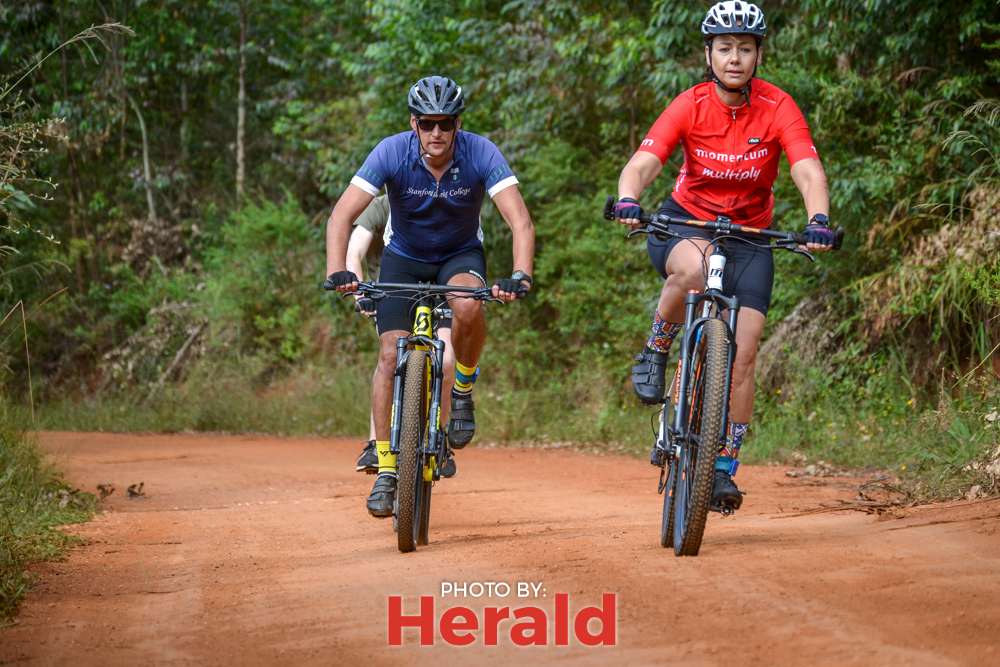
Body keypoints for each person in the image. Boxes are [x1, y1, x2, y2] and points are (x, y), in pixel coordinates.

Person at [612, 1, 836, 512]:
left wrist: (818, 220)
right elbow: (644, 163)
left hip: (751, 236)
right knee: (694, 267)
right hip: (685, 224)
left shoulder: (778, 106)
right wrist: (628, 198)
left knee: (746, 351)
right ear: (708, 54)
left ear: (759, 55)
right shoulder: (689, 104)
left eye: (745, 48)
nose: (735, 58)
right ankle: (656, 347)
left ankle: (720, 467)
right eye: (725, 48)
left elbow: (807, 170)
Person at [326, 76, 535, 518]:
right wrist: (337, 271)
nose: (436, 132)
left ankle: (462, 390)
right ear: (413, 123)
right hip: (403, 258)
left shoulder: (481, 152)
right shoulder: (391, 152)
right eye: (426, 124)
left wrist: (521, 274)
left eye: (445, 123)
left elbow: (520, 221)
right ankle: (386, 469)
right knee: (389, 355)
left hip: (459, 255)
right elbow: (341, 216)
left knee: (468, 304)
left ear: (458, 123)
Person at [346, 195, 457, 478]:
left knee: (446, 362)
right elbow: (354, 250)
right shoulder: (380, 206)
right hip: (390, 293)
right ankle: (376, 443)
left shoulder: (442, 200)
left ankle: (440, 435)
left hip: (438, 292)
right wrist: (361, 294)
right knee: (391, 357)